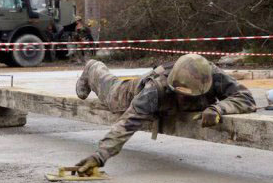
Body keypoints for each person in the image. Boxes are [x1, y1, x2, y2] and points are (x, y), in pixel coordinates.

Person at [73, 54, 257, 174]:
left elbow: (246, 98)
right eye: (181, 95)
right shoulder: (154, 90)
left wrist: (218, 108)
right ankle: (93, 67)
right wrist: (99, 156)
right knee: (110, 87)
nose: (185, 99)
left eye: (190, 96)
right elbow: (127, 124)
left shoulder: (211, 74)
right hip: (130, 93)